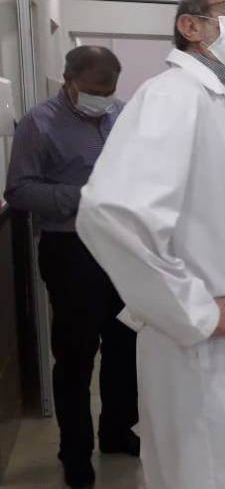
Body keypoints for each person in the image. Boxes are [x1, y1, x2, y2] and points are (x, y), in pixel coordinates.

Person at [75, 0, 225, 489]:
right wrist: (193, 310)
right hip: (209, 355)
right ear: (191, 26)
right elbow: (109, 213)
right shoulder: (173, 95)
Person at [5, 46, 138, 488]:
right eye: (96, 90)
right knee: (76, 354)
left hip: (122, 247)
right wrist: (83, 196)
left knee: (125, 346)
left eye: (110, 90)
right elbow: (19, 190)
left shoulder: (123, 115)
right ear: (69, 82)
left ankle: (117, 432)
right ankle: (75, 450)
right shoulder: (38, 123)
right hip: (71, 249)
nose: (104, 99)